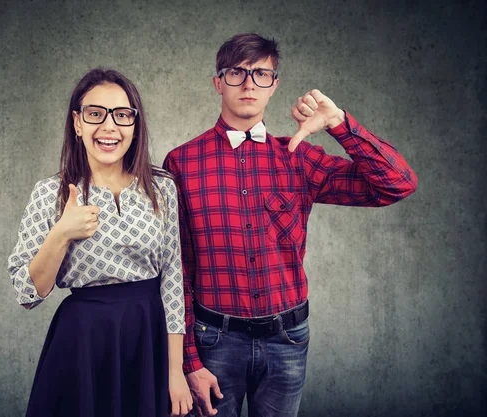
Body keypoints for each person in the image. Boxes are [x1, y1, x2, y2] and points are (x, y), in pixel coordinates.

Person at [163, 33, 418, 417]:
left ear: (274, 85)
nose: (249, 83)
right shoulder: (183, 162)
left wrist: (338, 123)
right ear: (218, 83)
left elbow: (397, 183)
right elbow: (176, 270)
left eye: (261, 74)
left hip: (287, 340)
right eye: (236, 73)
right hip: (214, 340)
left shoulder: (298, 157)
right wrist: (189, 362)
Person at [7, 68, 193, 417]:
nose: (109, 127)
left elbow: (173, 282)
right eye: (95, 114)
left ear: (135, 125)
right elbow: (27, 293)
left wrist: (174, 371)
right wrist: (61, 232)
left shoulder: (161, 187)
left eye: (122, 115)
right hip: (83, 342)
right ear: (77, 123)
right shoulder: (51, 192)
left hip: (148, 337)